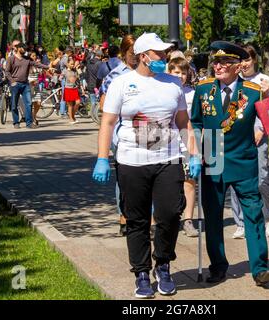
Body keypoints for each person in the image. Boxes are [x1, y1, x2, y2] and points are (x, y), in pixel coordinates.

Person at [92, 32, 200, 298]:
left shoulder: (173, 84)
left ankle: (163, 265)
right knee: (137, 219)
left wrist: (194, 154)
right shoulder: (122, 84)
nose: (165, 57)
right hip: (132, 160)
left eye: (165, 53)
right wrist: (102, 158)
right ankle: (141, 272)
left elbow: (184, 122)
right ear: (144, 57)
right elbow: (107, 122)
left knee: (169, 215)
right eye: (159, 54)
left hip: (167, 159)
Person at [190, 40, 269, 286]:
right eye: (215, 62)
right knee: (214, 216)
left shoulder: (252, 90)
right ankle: (217, 266)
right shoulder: (204, 89)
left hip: (244, 158)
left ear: (238, 66)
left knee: (253, 213)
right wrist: (197, 149)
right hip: (212, 154)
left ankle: (259, 268)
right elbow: (195, 121)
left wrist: (268, 99)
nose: (218, 66)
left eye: (224, 62)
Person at [230, 44, 269, 239]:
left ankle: (268, 219)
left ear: (255, 60)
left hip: (258, 136)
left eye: (247, 59)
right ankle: (240, 222)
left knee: (260, 179)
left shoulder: (264, 81)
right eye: (240, 60)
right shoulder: (233, 82)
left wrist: (262, 129)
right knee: (235, 179)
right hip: (236, 138)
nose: (244, 64)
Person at [99, 34, 137, 237]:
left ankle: (145, 218)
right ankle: (124, 216)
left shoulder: (148, 73)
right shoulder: (115, 76)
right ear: (123, 53)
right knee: (124, 177)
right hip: (120, 134)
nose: (136, 58)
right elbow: (104, 105)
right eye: (132, 54)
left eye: (139, 54)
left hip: (146, 134)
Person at [168, 57, 199, 237]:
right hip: (167, 140)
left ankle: (188, 220)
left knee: (190, 180)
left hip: (188, 139)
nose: (180, 76)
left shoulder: (192, 94)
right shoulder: (163, 91)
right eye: (176, 72)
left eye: (183, 72)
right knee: (167, 181)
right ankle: (161, 219)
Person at [4, 42, 53, 129]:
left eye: (26, 49)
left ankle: (29, 123)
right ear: (18, 48)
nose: (25, 50)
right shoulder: (11, 59)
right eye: (23, 48)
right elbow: (7, 72)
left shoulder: (27, 59)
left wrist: (47, 67)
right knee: (14, 104)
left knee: (29, 103)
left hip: (25, 84)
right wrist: (12, 81)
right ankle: (16, 122)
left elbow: (36, 64)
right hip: (15, 84)